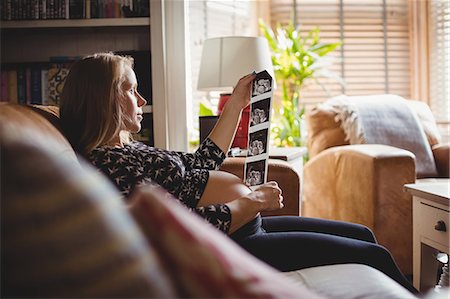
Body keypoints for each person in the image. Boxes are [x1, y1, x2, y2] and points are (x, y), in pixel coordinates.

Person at [60, 52, 417, 294]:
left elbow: (202, 164)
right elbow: (171, 228)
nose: (141, 101)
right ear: (104, 98)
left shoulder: (128, 149)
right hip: (235, 242)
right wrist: (251, 202)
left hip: (247, 228)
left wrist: (237, 103)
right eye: (131, 90)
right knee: (375, 256)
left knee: (364, 234)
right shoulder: (109, 164)